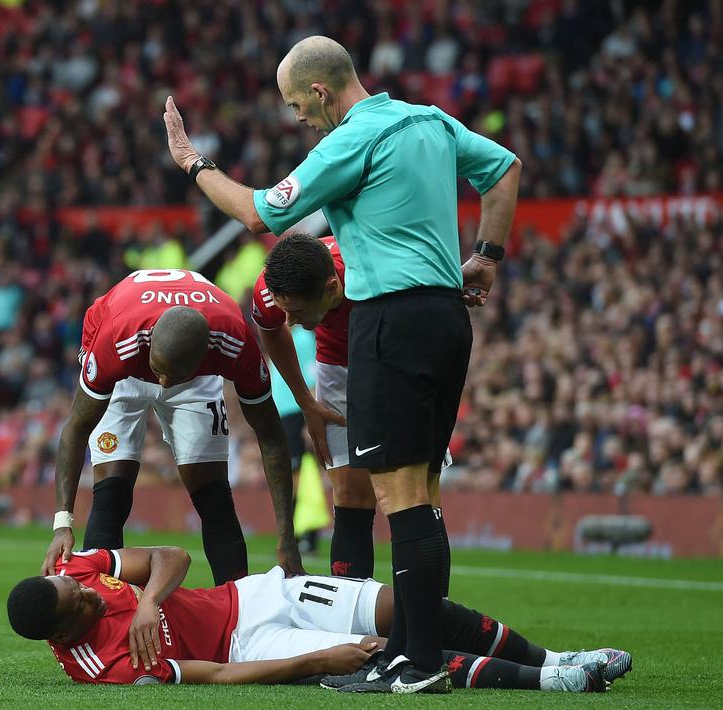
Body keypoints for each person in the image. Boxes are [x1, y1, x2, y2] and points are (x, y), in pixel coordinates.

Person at [165, 36, 521, 693]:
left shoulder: (350, 140)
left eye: (296, 104)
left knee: (400, 497)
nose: (297, 117)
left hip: (388, 319)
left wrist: (192, 163)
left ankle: (412, 664)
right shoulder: (431, 120)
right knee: (424, 497)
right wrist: (486, 257)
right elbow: (503, 169)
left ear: (321, 91)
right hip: (447, 319)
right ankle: (410, 656)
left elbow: (256, 213)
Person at [7, 545, 630, 692]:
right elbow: (217, 677)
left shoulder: (79, 570)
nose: (87, 592)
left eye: (75, 585)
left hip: (252, 594)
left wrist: (145, 600)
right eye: (79, 603)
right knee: (385, 651)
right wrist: (315, 662)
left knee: (408, 606)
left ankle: (553, 656)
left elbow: (172, 556)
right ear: (63, 633)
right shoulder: (101, 665)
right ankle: (550, 683)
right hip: (252, 643)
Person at [40, 268, 302, 587]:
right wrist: (62, 523)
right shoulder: (116, 342)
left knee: (214, 496)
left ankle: (241, 613)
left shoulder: (235, 344)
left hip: (190, 377)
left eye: (170, 379)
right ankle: (105, 608)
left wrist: (287, 537)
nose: (162, 384)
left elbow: (271, 436)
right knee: (112, 490)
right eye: (159, 372)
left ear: (207, 358)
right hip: (129, 369)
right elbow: (76, 427)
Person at [251, 234, 377, 580]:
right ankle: (350, 612)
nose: (290, 321)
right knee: (349, 491)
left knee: (411, 493)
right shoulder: (271, 288)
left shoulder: (372, 266)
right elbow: (272, 330)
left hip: (396, 350)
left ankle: (425, 622)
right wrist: (307, 402)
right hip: (335, 362)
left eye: (296, 312)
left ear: (333, 288)